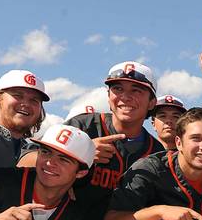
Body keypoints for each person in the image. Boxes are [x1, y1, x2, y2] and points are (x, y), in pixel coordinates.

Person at [56, 61, 164, 193]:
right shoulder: (82, 126)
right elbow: (33, 158)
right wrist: (78, 152)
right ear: (108, 96)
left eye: (136, 90)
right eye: (118, 89)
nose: (125, 97)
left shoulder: (158, 153)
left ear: (152, 103)